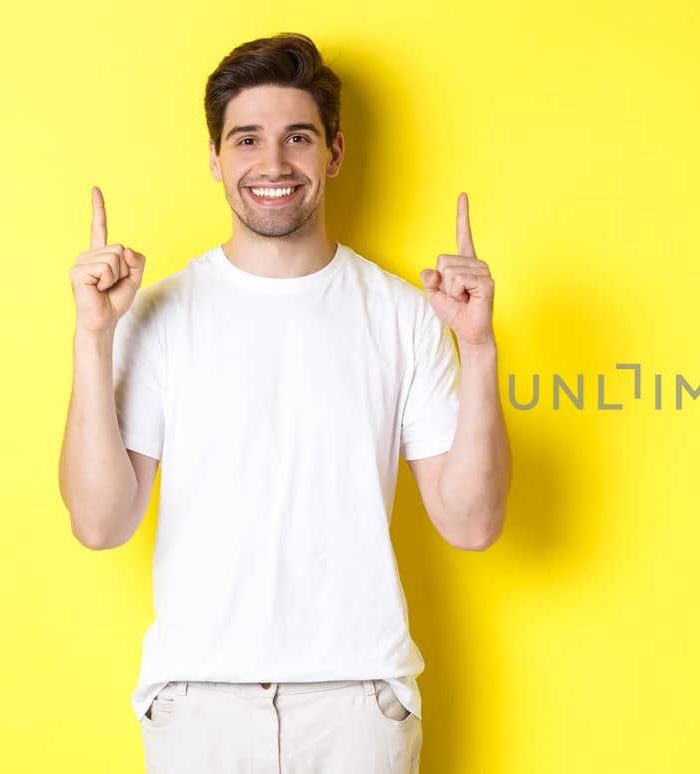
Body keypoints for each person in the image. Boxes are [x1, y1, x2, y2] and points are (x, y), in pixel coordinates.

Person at [56, 32, 512, 773]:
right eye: (247, 140)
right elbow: (101, 523)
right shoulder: (155, 315)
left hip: (357, 705)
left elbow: (472, 524)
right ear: (215, 158)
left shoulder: (404, 315)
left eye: (297, 138)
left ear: (333, 153)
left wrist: (480, 348)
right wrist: (92, 337)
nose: (272, 165)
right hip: (197, 704)